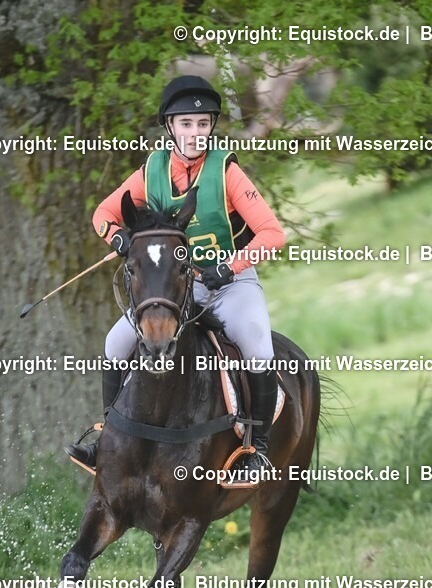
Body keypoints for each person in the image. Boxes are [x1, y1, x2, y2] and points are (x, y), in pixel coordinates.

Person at [66, 75, 286, 485]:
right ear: (170, 126)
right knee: (115, 343)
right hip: (174, 289)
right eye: (186, 123)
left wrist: (230, 267)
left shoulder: (227, 172)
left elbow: (273, 234)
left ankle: (257, 448)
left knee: (256, 343)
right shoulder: (151, 171)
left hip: (230, 284)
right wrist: (118, 238)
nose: (195, 133)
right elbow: (103, 214)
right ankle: (107, 440)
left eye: (203, 124)